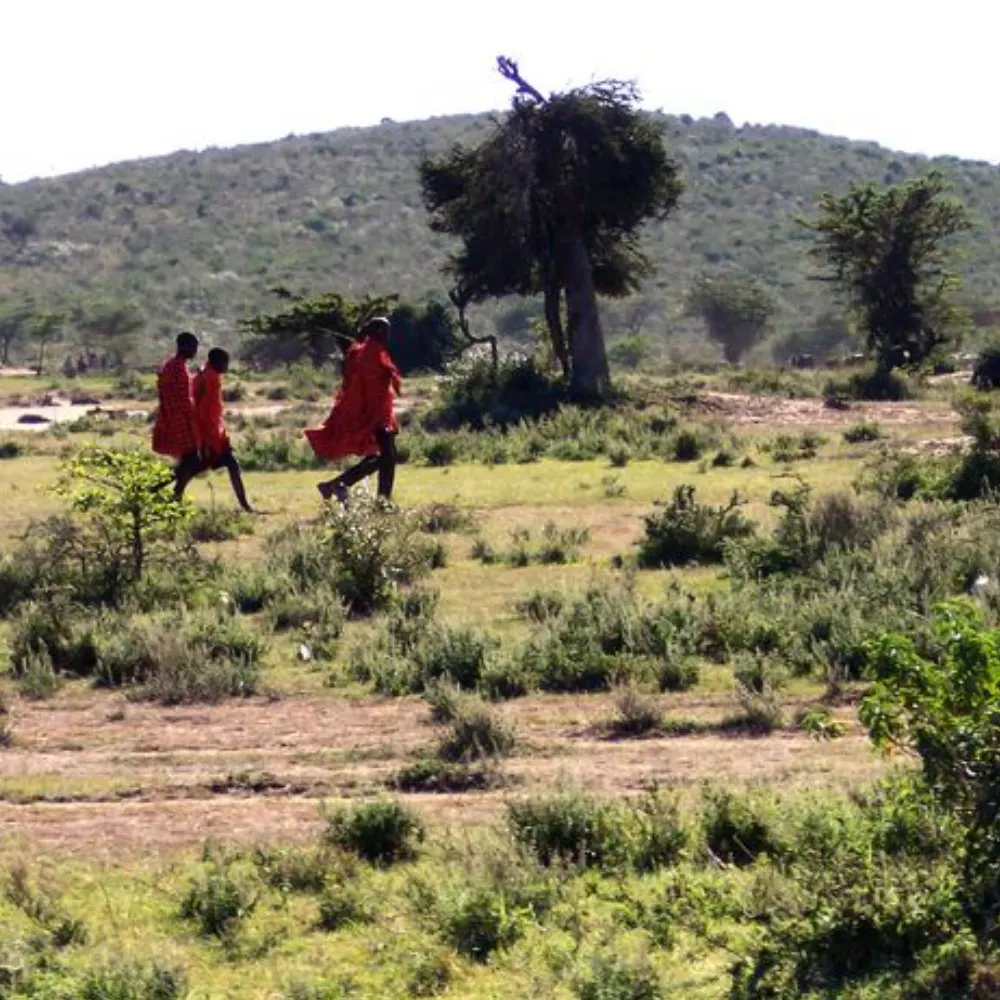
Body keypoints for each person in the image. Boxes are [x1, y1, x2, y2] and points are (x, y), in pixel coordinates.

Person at [305, 316, 402, 503]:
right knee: (387, 456)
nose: (387, 335)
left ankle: (335, 485)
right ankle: (380, 501)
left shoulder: (367, 352)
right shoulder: (369, 353)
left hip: (379, 412)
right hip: (373, 415)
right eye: (384, 330)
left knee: (383, 456)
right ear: (376, 332)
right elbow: (364, 385)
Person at [187, 347, 253, 512]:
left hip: (209, 433)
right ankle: (245, 506)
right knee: (230, 465)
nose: (226, 366)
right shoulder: (210, 379)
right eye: (225, 363)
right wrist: (206, 442)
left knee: (189, 470)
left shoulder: (204, 374)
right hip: (208, 436)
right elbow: (204, 412)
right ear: (216, 362)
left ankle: (158, 494)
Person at [152, 331, 203, 500]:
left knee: (190, 461)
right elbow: (182, 398)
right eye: (194, 347)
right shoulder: (177, 367)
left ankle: (171, 494)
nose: (195, 351)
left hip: (173, 418)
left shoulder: (172, 365)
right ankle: (158, 489)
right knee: (192, 460)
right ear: (185, 346)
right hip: (179, 419)